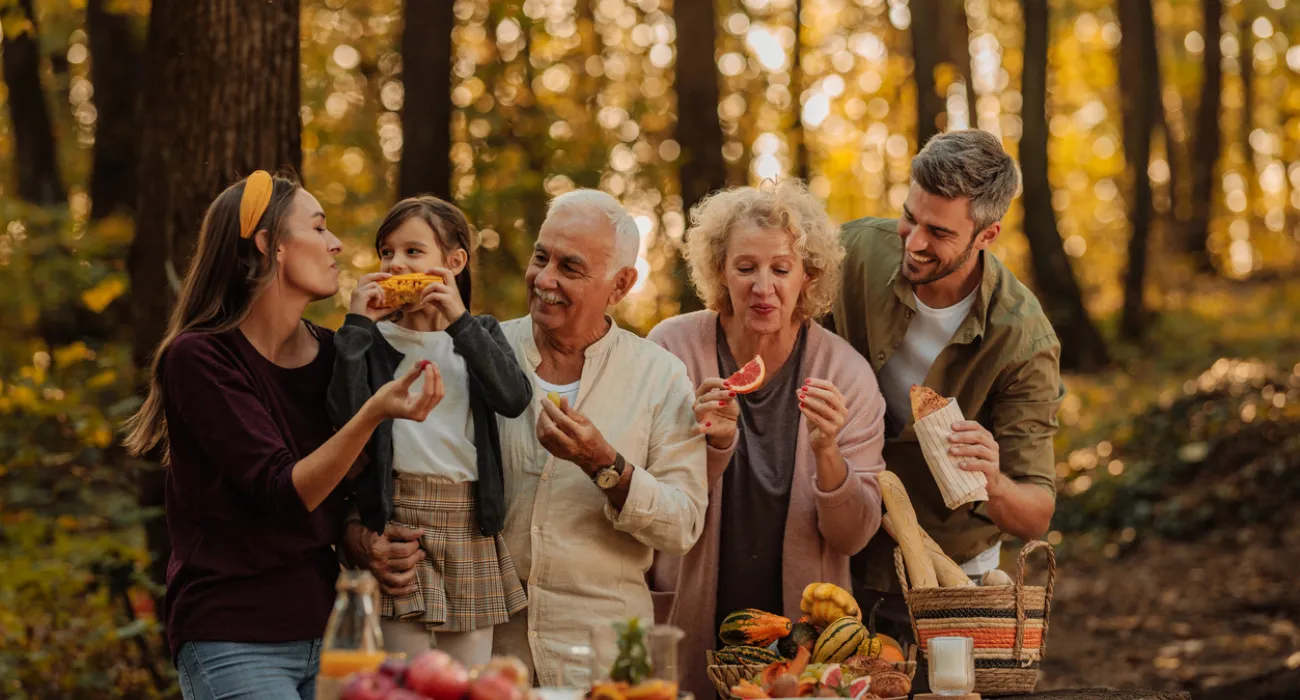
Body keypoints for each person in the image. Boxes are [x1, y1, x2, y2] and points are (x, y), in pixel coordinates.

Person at [122, 171, 441, 700]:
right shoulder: (201, 359)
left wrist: (363, 541)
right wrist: (373, 415)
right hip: (233, 634)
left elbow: (340, 494)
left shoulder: (336, 353)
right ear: (269, 245)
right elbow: (284, 493)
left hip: (330, 629)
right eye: (318, 228)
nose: (336, 242)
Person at [646, 181, 887, 700]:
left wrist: (828, 455)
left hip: (801, 648)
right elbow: (648, 503)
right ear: (718, 270)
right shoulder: (670, 351)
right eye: (745, 267)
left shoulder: (846, 373)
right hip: (689, 623)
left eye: (781, 269)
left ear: (809, 276)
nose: (762, 287)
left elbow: (853, 536)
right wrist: (711, 447)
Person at [828, 130, 1064, 645]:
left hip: (947, 572)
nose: (914, 242)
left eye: (938, 232)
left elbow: (1035, 514)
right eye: (910, 216)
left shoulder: (1023, 339)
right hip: (836, 539)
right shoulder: (854, 253)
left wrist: (995, 480)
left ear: (987, 235)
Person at [480, 189, 708, 684]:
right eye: (541, 257)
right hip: (489, 655)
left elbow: (682, 525)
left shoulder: (661, 376)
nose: (545, 279)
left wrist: (605, 464)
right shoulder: (483, 351)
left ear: (620, 285)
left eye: (570, 267)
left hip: (603, 662)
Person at [328, 196, 533, 666]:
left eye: (413, 252)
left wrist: (460, 322)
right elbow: (344, 415)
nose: (395, 262)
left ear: (454, 262)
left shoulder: (477, 333)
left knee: (468, 680)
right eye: (386, 252)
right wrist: (357, 325)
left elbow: (513, 397)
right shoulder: (372, 341)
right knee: (406, 678)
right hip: (400, 524)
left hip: (468, 521)